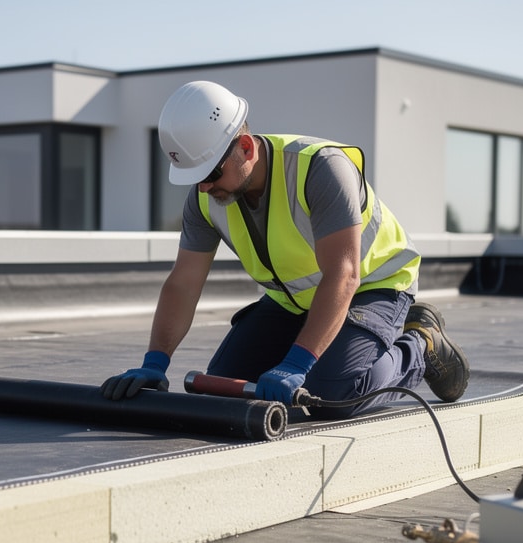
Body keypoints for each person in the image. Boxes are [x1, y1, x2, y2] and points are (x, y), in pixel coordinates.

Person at [100, 80, 469, 418]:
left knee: (330, 393)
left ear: (245, 147)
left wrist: (298, 362)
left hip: (374, 286)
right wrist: (155, 362)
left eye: (211, 174)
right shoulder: (204, 198)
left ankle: (420, 344)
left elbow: (344, 276)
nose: (203, 189)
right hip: (293, 300)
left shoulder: (320, 169)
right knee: (225, 391)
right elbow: (183, 283)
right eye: (195, 178)